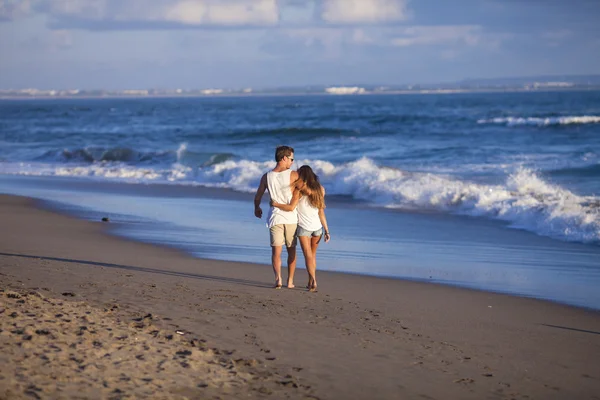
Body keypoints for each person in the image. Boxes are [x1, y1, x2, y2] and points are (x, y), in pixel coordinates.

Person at [271, 165, 330, 292]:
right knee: (312, 256)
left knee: (308, 256)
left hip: (304, 228)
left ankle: (313, 280)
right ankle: (310, 281)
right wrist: (327, 230)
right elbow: (321, 212)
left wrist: (275, 203)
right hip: (318, 229)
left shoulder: (299, 190)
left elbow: (291, 207)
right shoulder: (321, 189)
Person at [254, 146, 299, 289]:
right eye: (291, 159)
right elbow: (303, 193)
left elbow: (258, 196)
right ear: (284, 158)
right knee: (291, 251)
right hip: (291, 218)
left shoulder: (266, 176)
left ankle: (278, 279)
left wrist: (257, 207)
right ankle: (290, 281)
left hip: (275, 217)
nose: (292, 162)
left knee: (276, 251)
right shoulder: (294, 175)